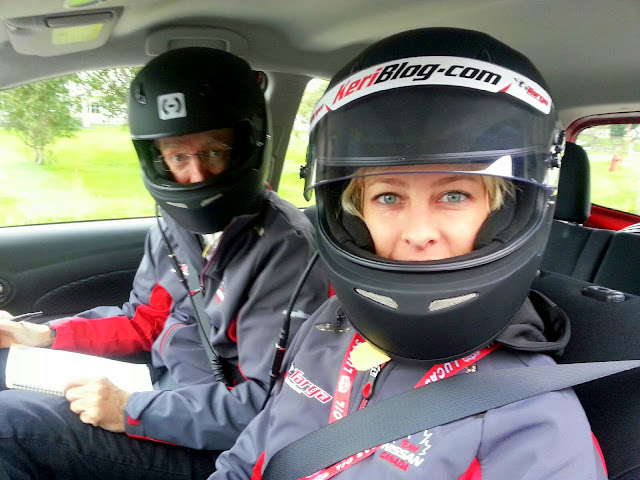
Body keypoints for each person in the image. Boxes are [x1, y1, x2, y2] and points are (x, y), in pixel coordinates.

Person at [211, 28, 608, 479]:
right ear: (352, 217)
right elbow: (245, 462)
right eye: (388, 197)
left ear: (505, 214)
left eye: (455, 195)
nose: (418, 233)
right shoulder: (329, 325)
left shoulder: (533, 422)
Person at [0, 47, 327, 479]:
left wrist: (131, 410)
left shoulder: (285, 251)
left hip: (214, 443)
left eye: (214, 152)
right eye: (178, 157)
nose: (196, 176)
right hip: (161, 390)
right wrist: (42, 335)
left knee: (10, 425)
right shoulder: (175, 226)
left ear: (245, 147)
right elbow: (145, 321)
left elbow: (270, 405)